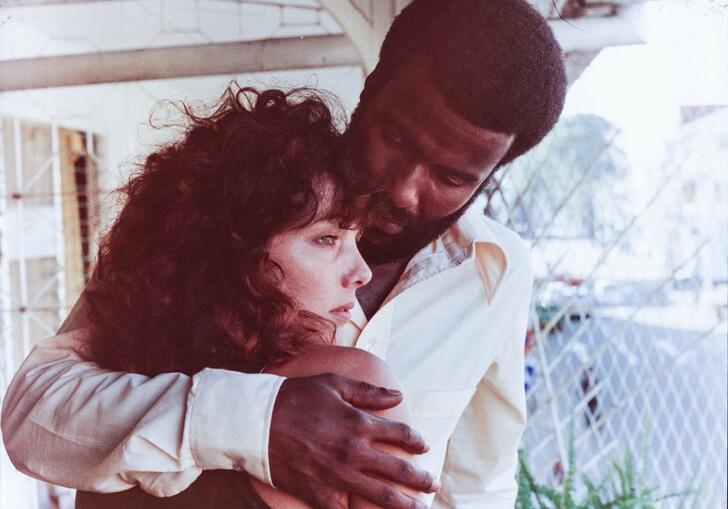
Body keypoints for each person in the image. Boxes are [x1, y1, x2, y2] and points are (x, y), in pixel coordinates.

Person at [1, 0, 567, 507]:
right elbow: (34, 418)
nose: (403, 189)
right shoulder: (220, 214)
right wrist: (257, 421)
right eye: (395, 138)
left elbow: (476, 487)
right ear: (370, 90)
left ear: (492, 173)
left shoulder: (496, 275)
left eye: (450, 176)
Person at [72, 85, 423, 509]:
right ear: (235, 254)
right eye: (326, 239)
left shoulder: (108, 414)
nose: (362, 273)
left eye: (356, 238)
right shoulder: (352, 386)